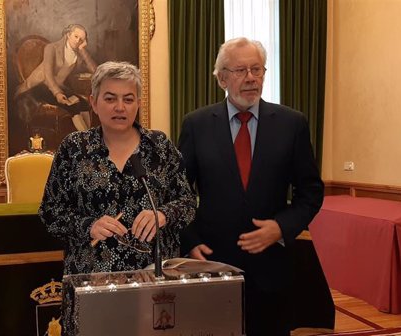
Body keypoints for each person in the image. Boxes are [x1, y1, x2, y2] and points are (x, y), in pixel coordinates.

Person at [177, 37, 330, 335]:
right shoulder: (196, 124)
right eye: (240, 70)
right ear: (222, 78)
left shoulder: (292, 123)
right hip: (213, 261)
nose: (250, 78)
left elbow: (311, 191)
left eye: (257, 69)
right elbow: (179, 191)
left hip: (273, 267)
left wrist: (281, 228)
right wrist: (190, 240)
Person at [39, 61, 196, 334]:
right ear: (94, 102)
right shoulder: (74, 148)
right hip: (92, 281)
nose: (120, 107)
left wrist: (163, 215)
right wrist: (88, 224)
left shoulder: (159, 146)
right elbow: (50, 212)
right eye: (110, 99)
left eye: (128, 99)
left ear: (138, 103)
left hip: (153, 283)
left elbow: (187, 202)